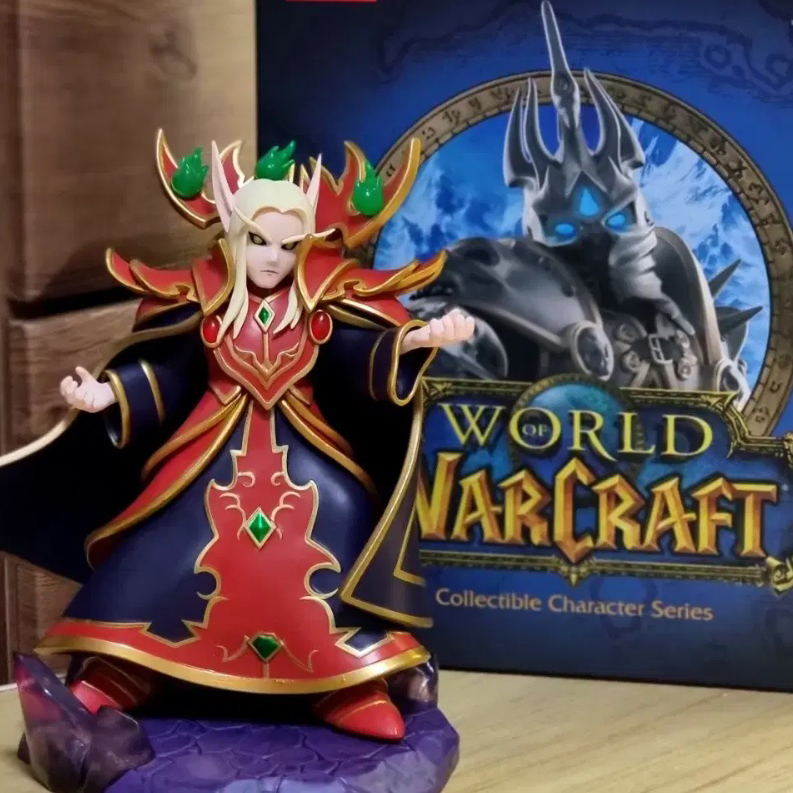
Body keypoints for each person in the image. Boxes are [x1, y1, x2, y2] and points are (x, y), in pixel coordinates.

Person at [0, 133, 473, 741]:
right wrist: (107, 395)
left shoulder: (319, 305)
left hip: (304, 450)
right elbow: (168, 372)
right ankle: (125, 670)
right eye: (259, 241)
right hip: (211, 448)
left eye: (288, 246)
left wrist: (415, 341)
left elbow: (357, 358)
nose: (273, 258)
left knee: (339, 521)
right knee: (168, 542)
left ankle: (345, 681)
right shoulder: (206, 301)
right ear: (234, 238)